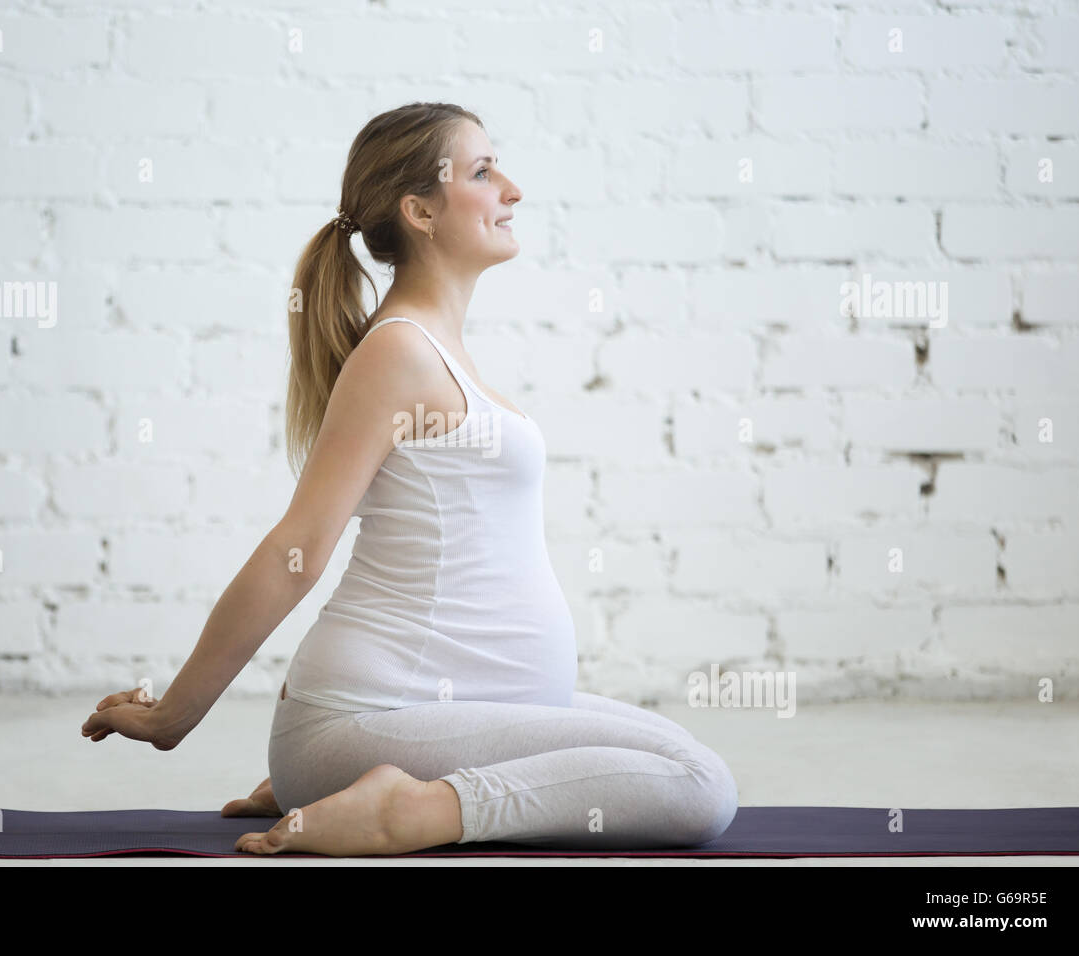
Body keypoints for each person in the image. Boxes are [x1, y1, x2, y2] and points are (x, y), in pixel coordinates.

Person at [81, 103, 739, 856]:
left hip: (436, 716)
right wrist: (174, 719)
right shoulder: (398, 353)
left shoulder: (436, 351)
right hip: (372, 711)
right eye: (484, 171)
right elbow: (296, 548)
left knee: (675, 752)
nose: (512, 189)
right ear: (420, 211)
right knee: (698, 784)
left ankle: (366, 775)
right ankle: (403, 810)